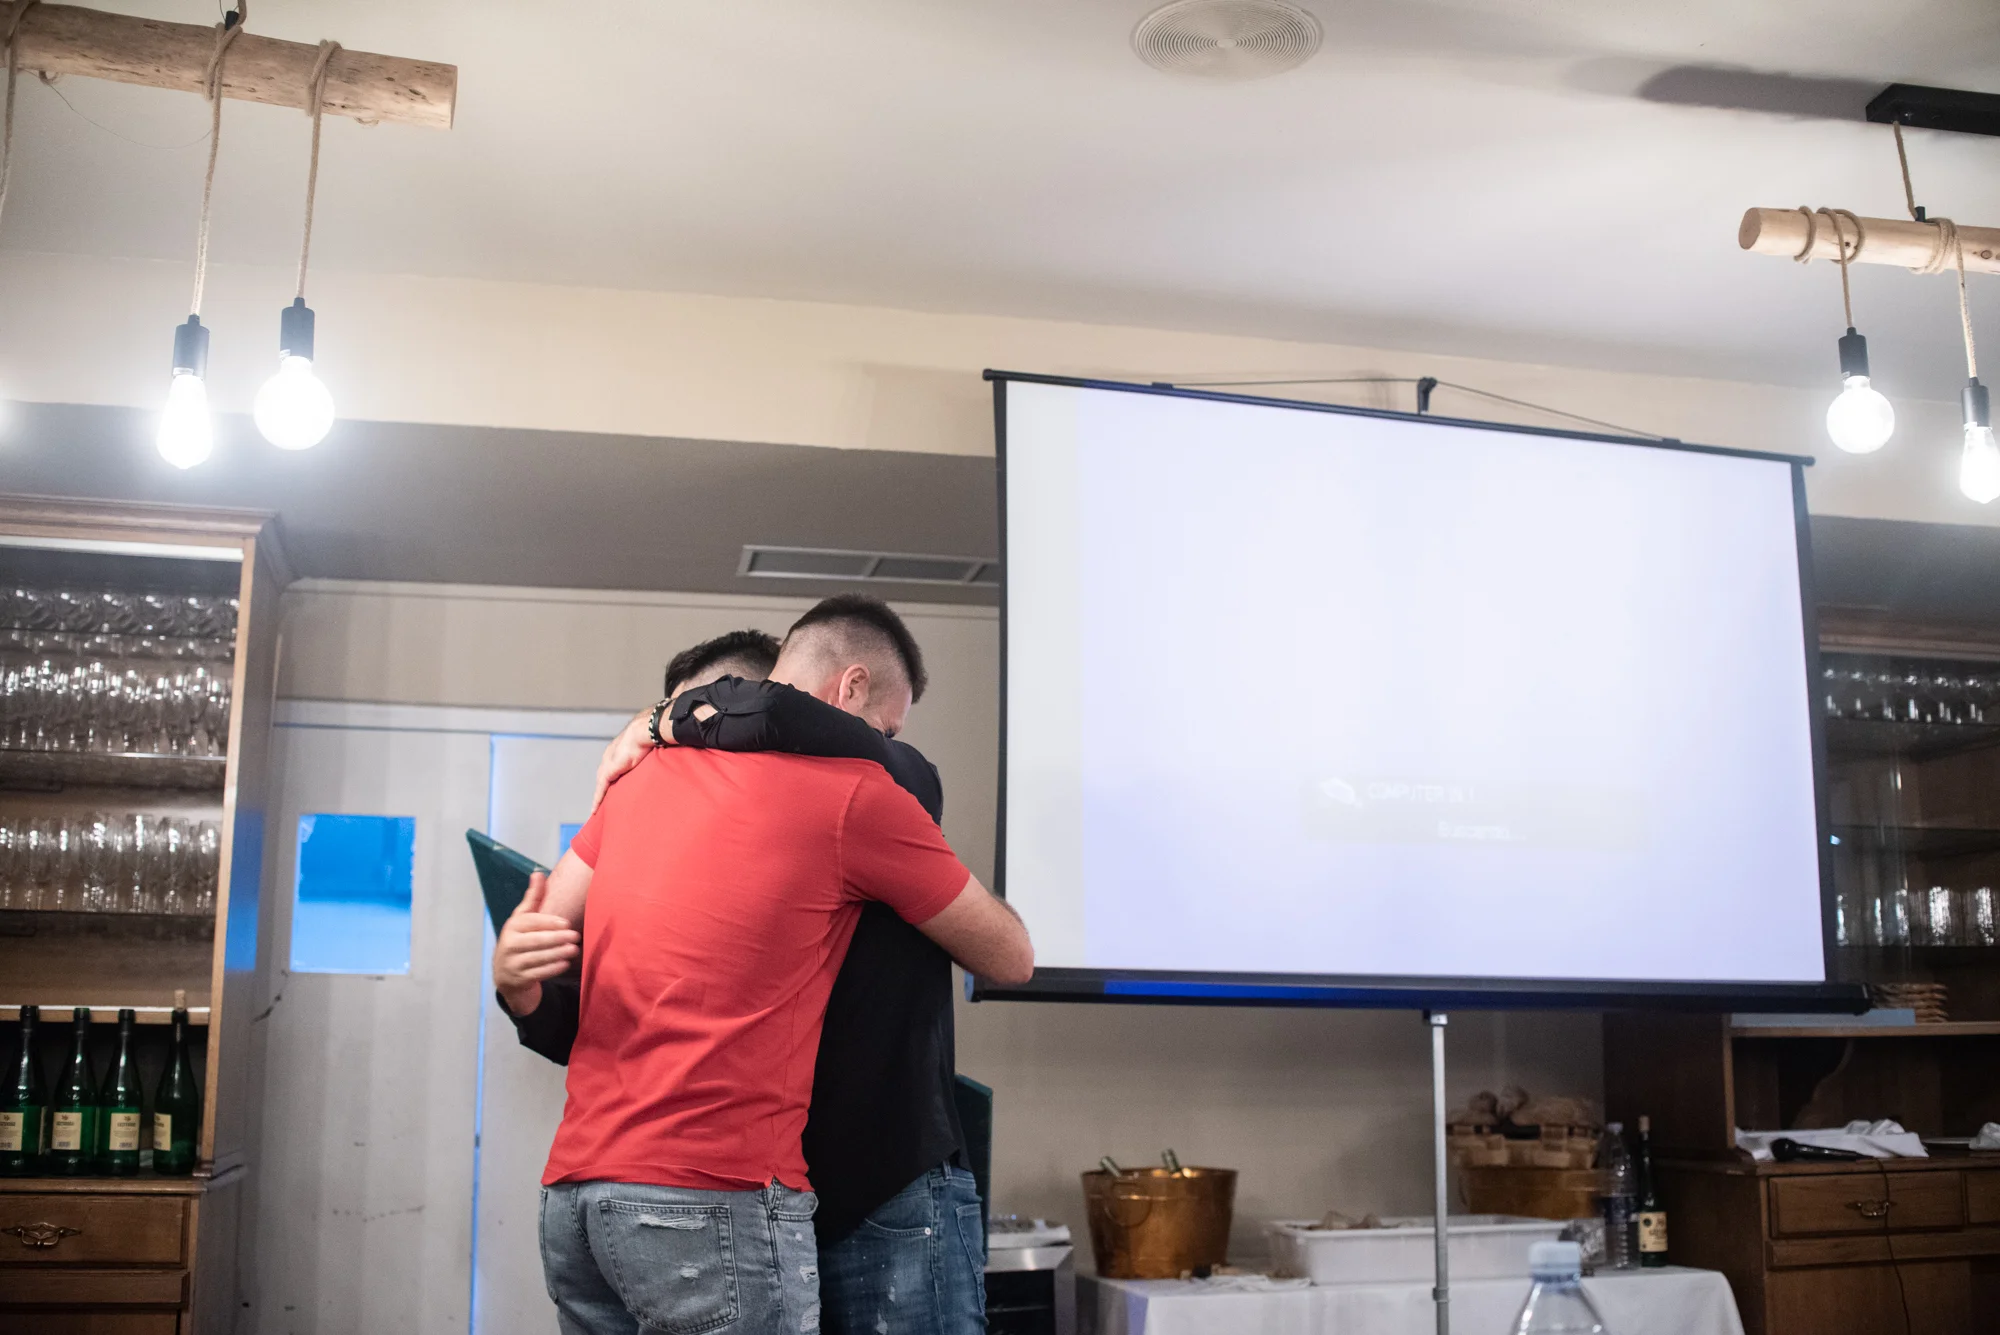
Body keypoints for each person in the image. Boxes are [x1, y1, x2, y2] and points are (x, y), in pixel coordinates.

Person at [503, 604, 1032, 1335]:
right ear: (851, 686)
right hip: (727, 1181)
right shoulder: (841, 794)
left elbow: (543, 926)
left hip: (616, 1184)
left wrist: (665, 721)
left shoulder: (650, 783)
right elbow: (1012, 957)